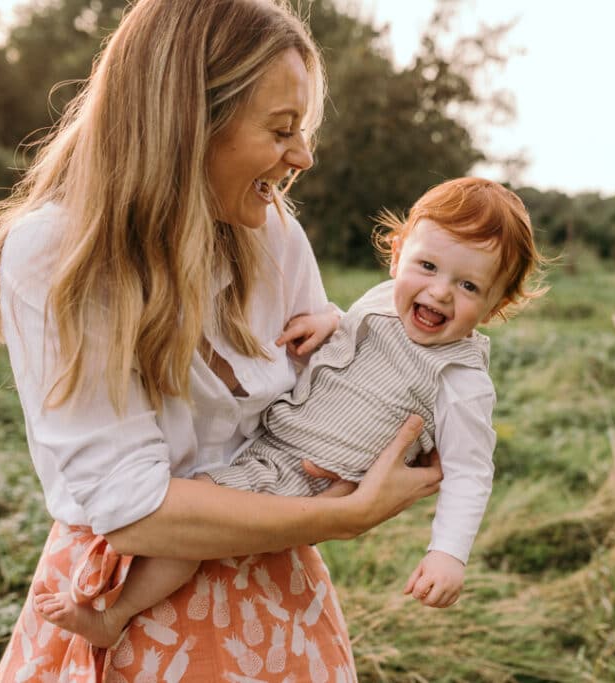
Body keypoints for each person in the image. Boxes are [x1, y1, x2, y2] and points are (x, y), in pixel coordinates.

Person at [0, 0, 443, 680]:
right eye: (282, 129)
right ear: (188, 122)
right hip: (129, 604)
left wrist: (363, 353)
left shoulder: (271, 233)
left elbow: (323, 409)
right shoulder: (55, 252)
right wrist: (342, 516)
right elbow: (134, 512)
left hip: (278, 594)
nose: (303, 156)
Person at [32, 177, 546, 648]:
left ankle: (114, 614)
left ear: (497, 305)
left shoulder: (461, 381)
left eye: (469, 287)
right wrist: (330, 320)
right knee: (188, 519)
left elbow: (469, 472)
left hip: (310, 480)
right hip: (273, 446)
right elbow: (361, 339)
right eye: (428, 267)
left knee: (187, 529)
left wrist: (447, 553)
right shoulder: (382, 300)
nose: (439, 291)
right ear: (397, 255)